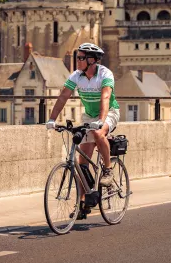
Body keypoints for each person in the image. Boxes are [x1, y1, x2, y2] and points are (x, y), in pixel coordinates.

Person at [46, 43, 120, 219]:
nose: (77, 61)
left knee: (98, 133)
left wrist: (101, 121)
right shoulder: (77, 76)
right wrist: (52, 119)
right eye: (76, 57)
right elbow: (64, 96)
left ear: (91, 60)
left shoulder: (104, 74)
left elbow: (105, 97)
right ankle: (82, 204)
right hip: (88, 116)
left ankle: (108, 170)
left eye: (80, 58)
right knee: (81, 165)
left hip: (109, 112)